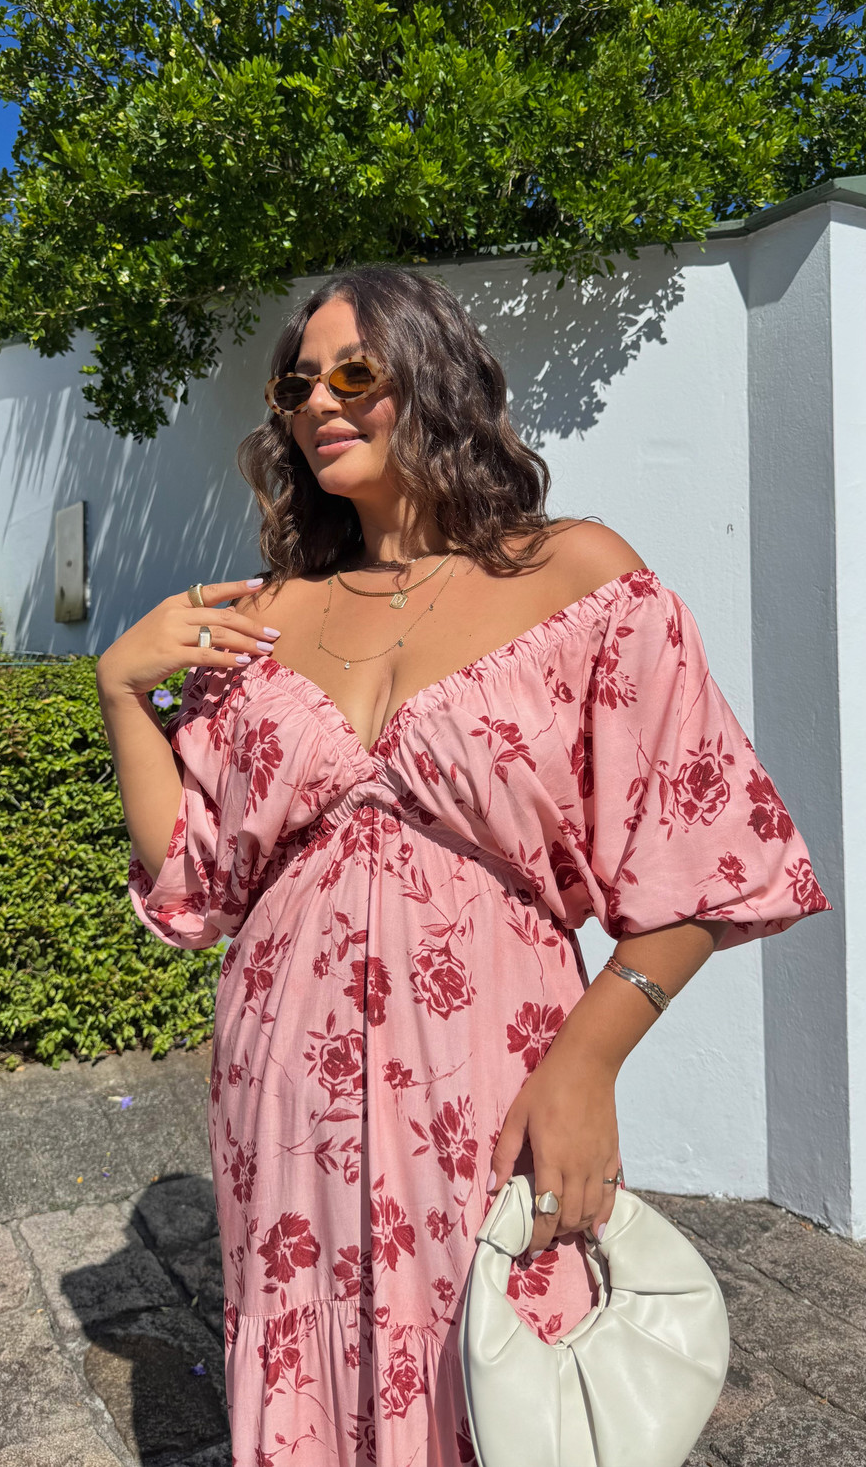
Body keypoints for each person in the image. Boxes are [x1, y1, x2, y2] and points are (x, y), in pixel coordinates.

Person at [96, 264, 830, 1467]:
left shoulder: (575, 576)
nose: (318, 402)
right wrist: (123, 689)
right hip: (282, 1077)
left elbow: (706, 855)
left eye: (354, 373)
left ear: (432, 377)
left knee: (503, 1371)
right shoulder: (268, 616)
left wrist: (586, 1064)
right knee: (311, 1363)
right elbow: (194, 875)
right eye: (296, 384)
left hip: (495, 1069)